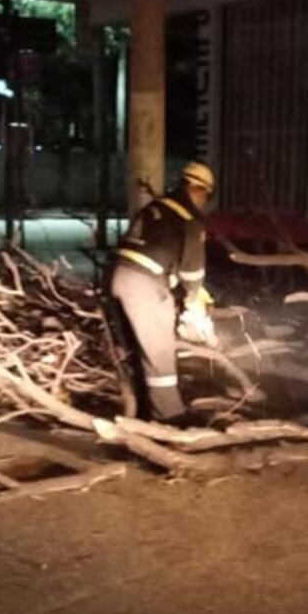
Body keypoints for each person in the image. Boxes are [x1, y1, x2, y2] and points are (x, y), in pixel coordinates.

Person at [105, 161, 217, 421]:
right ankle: (170, 420)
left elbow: (157, 253)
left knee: (136, 352)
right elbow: (192, 275)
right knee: (160, 359)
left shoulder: (156, 208)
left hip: (116, 276)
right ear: (199, 191)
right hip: (143, 287)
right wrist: (193, 304)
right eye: (207, 197)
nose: (205, 203)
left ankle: (139, 412)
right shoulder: (190, 221)